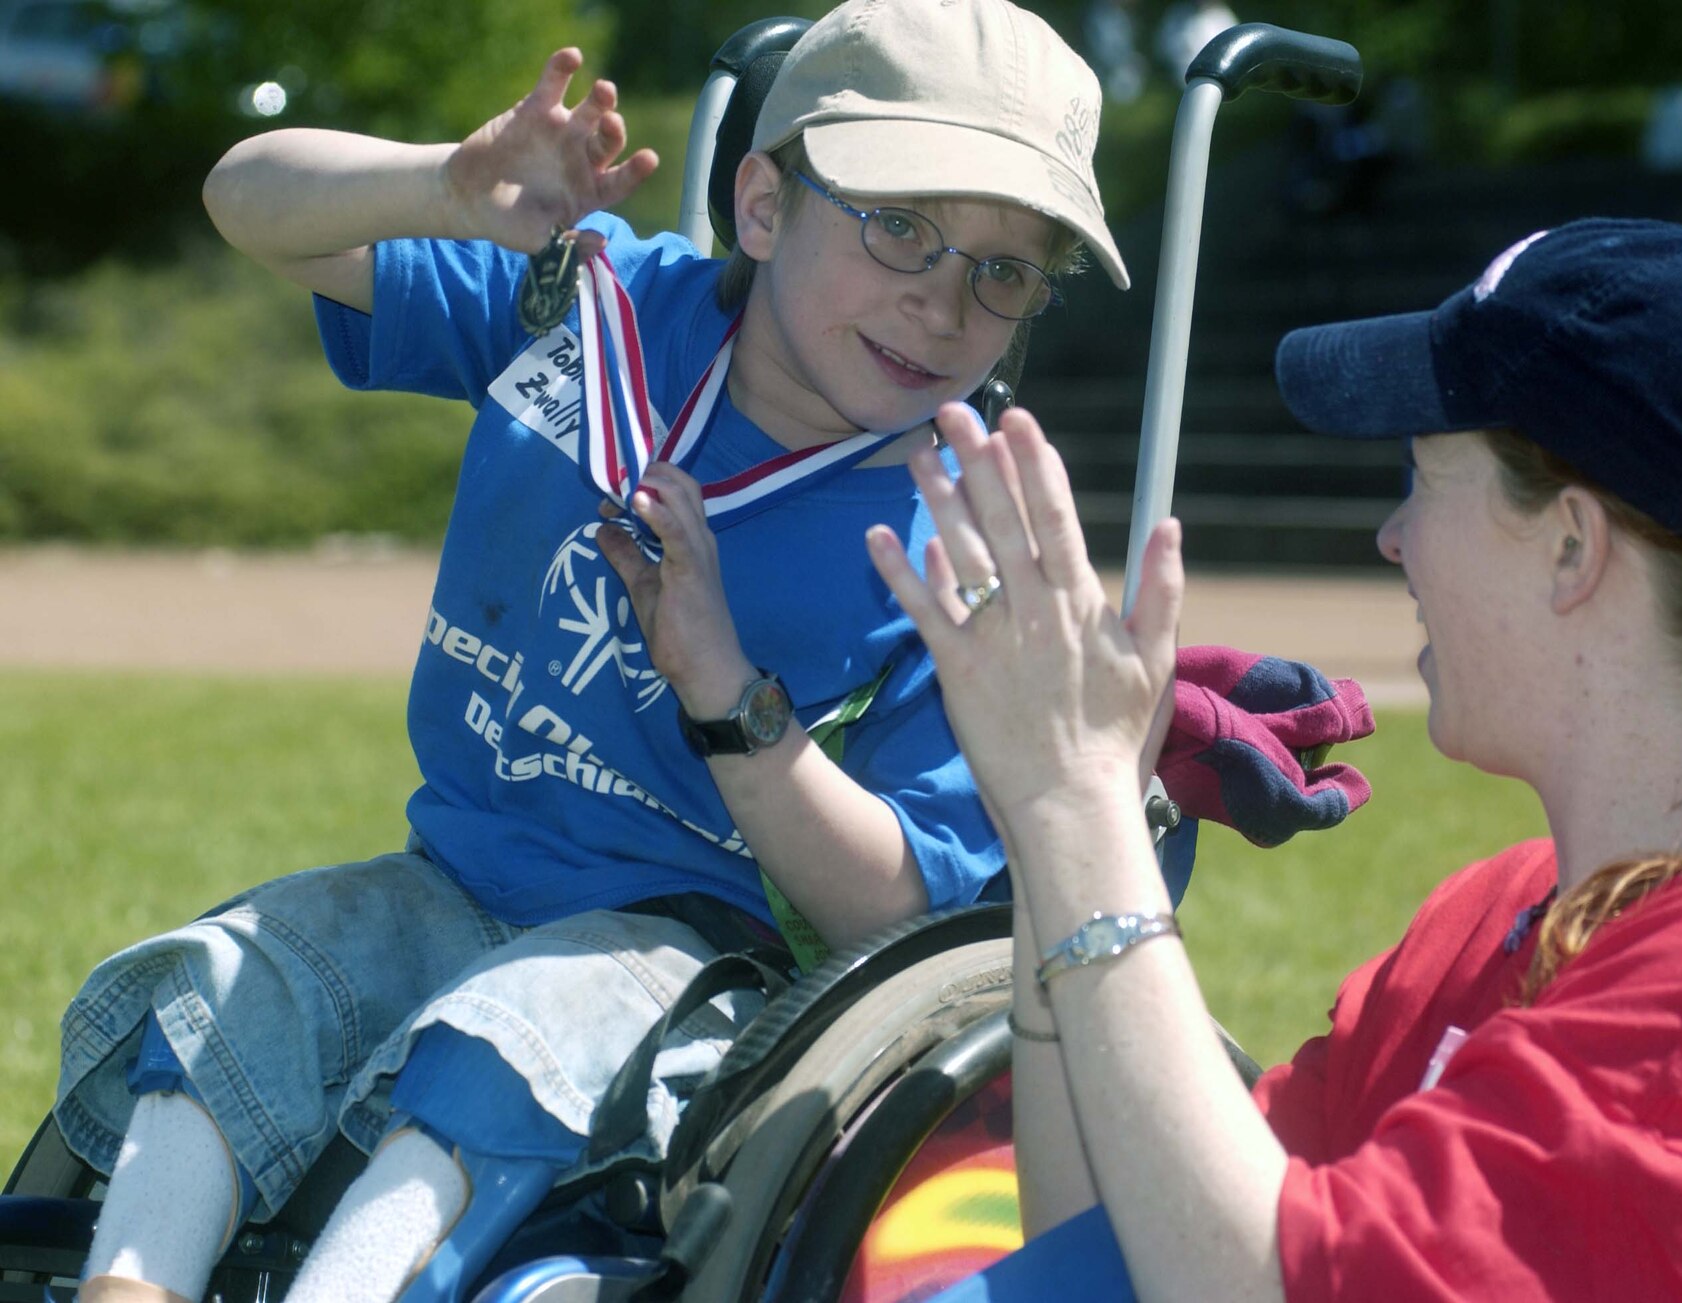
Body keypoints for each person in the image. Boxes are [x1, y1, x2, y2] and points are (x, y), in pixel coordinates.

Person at [57, 1, 1129, 1298]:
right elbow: (247, 199)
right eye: (901, 225)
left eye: (1006, 271)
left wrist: (727, 692)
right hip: (451, 876)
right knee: (254, 973)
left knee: (510, 1040)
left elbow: (893, 912)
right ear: (765, 204)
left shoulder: (965, 535)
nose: (945, 301)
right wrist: (443, 189)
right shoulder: (592, 305)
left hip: (689, 963)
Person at [867, 218, 1682, 1299]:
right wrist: (1055, 825)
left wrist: (1080, 809)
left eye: (1422, 474)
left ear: (1569, 546)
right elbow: (1120, 1248)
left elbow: (1252, 1284)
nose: (1391, 537)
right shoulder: (1492, 916)